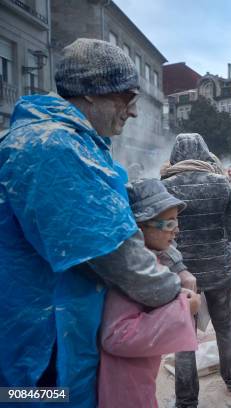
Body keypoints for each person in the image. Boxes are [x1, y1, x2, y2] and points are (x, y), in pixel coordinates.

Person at [0, 38, 181, 404]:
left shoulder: (69, 142)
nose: (132, 112)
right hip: (44, 348)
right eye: (127, 98)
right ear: (92, 94)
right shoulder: (54, 146)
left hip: (50, 328)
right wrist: (174, 292)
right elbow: (115, 253)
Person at [98, 179, 200, 408]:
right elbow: (117, 336)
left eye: (177, 221)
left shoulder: (148, 260)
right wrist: (183, 309)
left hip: (137, 374)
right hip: (123, 383)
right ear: (139, 226)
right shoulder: (133, 273)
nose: (176, 229)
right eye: (169, 223)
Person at [161, 133, 231, 404]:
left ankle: (186, 401)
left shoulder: (165, 187)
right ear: (205, 153)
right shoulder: (222, 184)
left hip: (181, 273)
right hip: (219, 269)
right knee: (225, 326)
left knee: (184, 336)